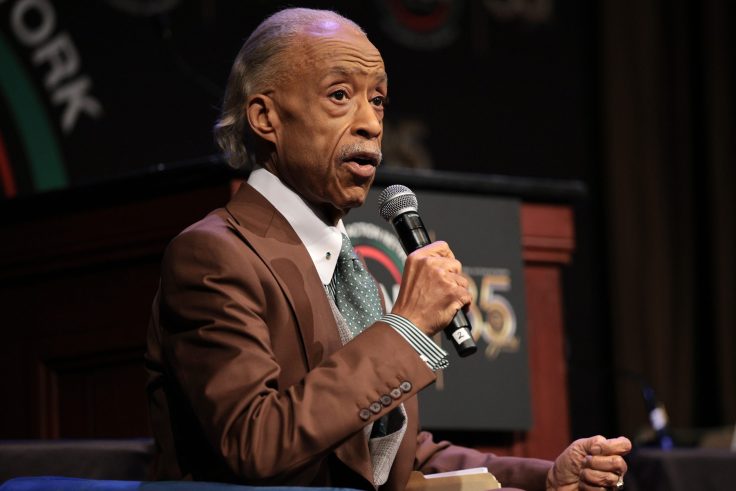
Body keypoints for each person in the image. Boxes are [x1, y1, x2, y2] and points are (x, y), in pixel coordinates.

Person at [145, 7, 630, 491]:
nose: (371, 124)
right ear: (265, 117)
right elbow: (255, 441)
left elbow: (386, 452)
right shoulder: (213, 256)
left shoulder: (352, 275)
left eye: (377, 100)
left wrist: (544, 478)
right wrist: (405, 329)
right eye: (339, 95)